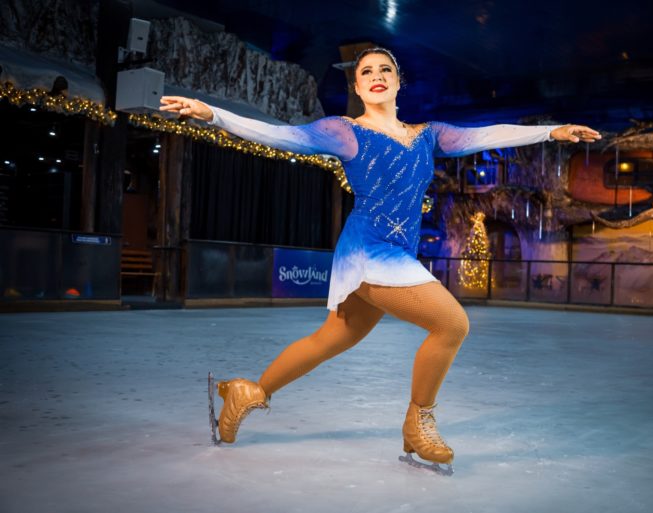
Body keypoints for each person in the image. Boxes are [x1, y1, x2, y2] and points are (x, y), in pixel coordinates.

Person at [160, 47, 601, 474]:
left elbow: (485, 135)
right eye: (366, 71)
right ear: (356, 86)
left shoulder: (427, 135)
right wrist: (213, 114)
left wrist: (552, 131)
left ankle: (249, 391)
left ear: (398, 82)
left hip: (397, 251)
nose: (376, 76)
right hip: (369, 249)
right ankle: (418, 422)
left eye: (385, 69)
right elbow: (282, 135)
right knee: (451, 324)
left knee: (331, 339)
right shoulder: (344, 131)